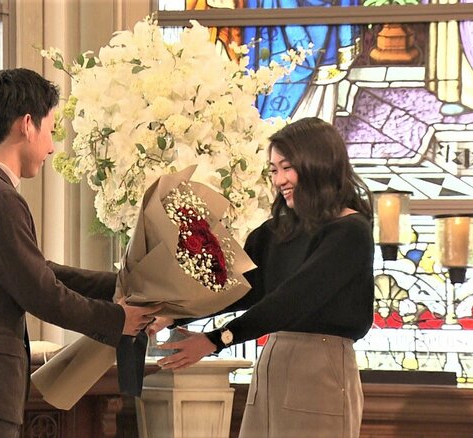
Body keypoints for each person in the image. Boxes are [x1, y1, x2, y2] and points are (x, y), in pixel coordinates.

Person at [0, 68, 159, 438]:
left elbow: (38, 271)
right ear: (27, 125)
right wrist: (118, 319)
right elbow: (41, 292)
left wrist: (122, 285)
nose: (52, 147)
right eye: (51, 131)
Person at [149, 117, 374, 438]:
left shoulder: (350, 231)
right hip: (273, 358)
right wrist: (172, 314)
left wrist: (216, 340)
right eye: (273, 170)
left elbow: (292, 300)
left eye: (287, 168)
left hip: (321, 368)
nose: (279, 180)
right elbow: (237, 288)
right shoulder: (275, 231)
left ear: (318, 164)